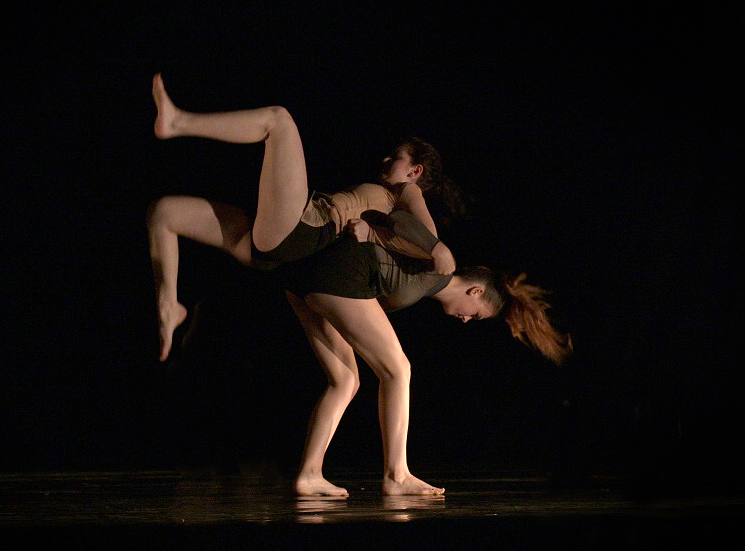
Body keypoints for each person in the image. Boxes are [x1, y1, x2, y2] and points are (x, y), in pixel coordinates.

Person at [149, 73, 465, 361]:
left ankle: (177, 122)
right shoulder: (390, 198)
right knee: (163, 212)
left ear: (414, 171)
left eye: (396, 157)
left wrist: (437, 249)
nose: (386, 159)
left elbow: (427, 238)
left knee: (279, 120)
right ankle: (169, 306)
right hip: (271, 247)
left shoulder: (408, 190)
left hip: (302, 229)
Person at [277, 232, 572, 496]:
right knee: (398, 370)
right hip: (338, 276)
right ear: (476, 291)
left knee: (345, 381)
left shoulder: (426, 283)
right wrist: (431, 245)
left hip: (307, 279)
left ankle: (309, 475)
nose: (466, 320)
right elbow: (402, 219)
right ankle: (397, 475)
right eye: (476, 315)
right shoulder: (438, 266)